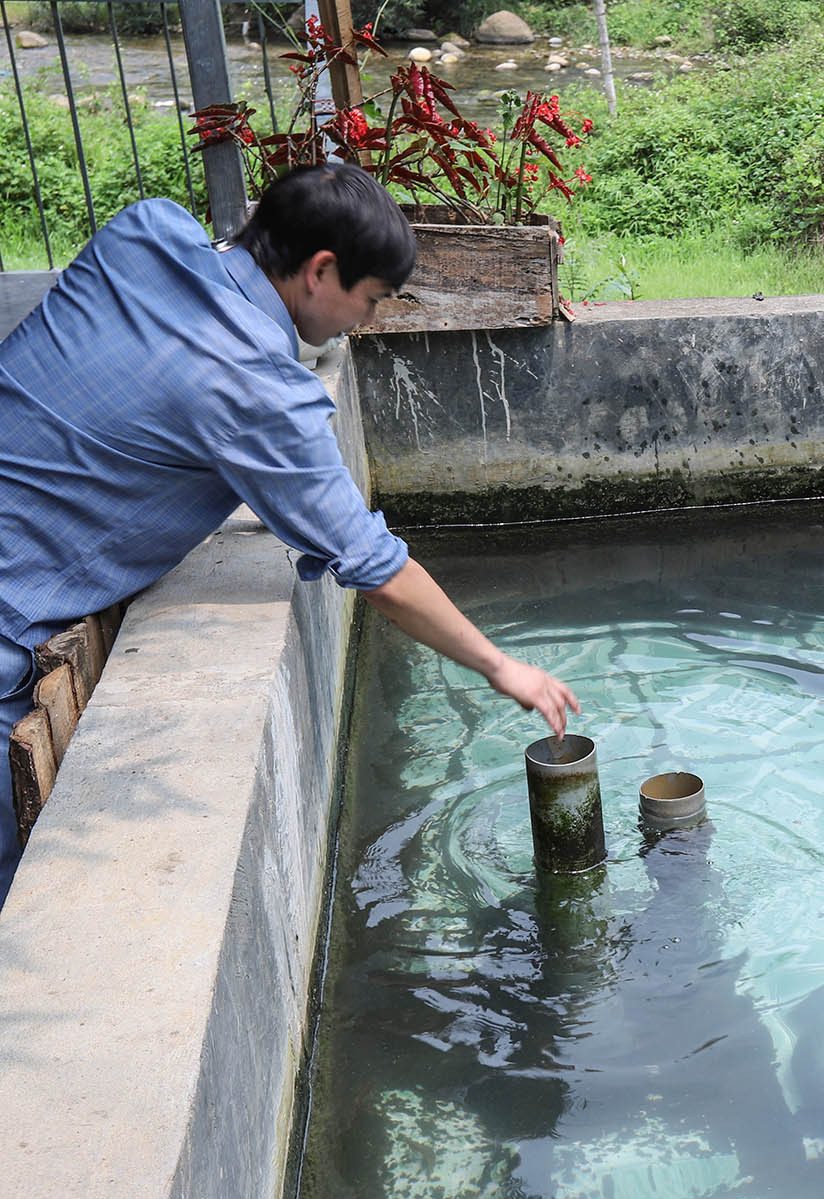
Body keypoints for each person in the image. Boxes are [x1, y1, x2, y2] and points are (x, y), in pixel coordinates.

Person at [0, 163, 579, 906]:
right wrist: (502, 667)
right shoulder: (260, 393)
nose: (364, 323)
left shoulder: (144, 230)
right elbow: (375, 566)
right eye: (368, 300)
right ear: (321, 270)